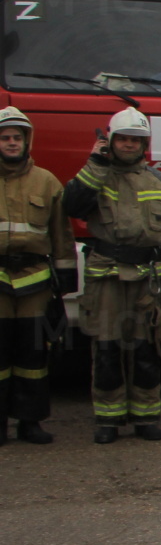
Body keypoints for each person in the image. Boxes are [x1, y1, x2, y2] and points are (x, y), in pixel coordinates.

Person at [64, 106, 161, 443]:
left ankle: (146, 418)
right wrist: (95, 163)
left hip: (148, 278)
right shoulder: (95, 176)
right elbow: (71, 206)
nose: (130, 145)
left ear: (145, 144)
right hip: (106, 277)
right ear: (111, 141)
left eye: (136, 139)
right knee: (107, 349)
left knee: (146, 350)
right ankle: (108, 419)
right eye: (124, 139)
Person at [0, 107, 73, 445]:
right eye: (5, 137)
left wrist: (66, 282)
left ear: (27, 140)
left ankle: (30, 422)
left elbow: (62, 235)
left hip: (34, 282)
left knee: (33, 357)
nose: (11, 143)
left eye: (17, 137)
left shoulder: (46, 181)